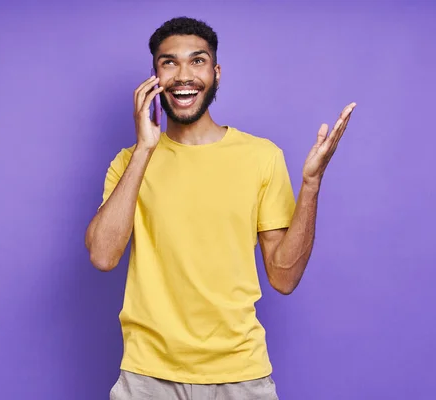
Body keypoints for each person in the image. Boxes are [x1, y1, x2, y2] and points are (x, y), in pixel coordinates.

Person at [85, 16, 356, 400]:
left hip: (241, 374)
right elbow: (102, 255)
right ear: (154, 78)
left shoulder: (261, 157)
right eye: (169, 62)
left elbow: (283, 278)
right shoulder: (129, 162)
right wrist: (146, 147)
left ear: (216, 72)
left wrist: (311, 184)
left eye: (197, 61)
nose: (183, 75)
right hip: (147, 376)